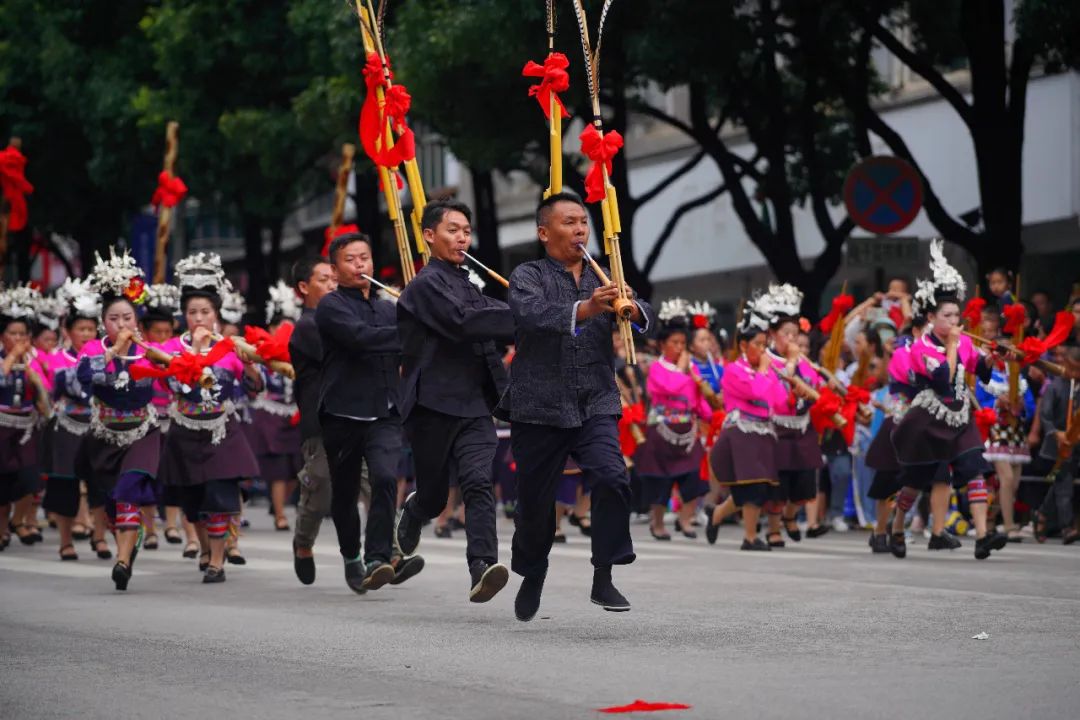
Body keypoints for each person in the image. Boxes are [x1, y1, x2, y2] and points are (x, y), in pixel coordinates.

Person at [503, 192, 654, 621]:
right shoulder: (527, 274)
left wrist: (632, 307)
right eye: (569, 223)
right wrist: (588, 308)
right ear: (544, 232)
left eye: (583, 222)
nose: (580, 230)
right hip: (538, 404)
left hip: (596, 397)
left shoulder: (603, 273)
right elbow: (533, 316)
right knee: (534, 503)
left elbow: (643, 314)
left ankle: (604, 573)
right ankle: (533, 572)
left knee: (612, 476)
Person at [394, 198, 516, 603]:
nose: (462, 237)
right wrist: (524, 313)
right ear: (429, 236)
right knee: (434, 495)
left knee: (480, 481)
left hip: (475, 404)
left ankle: (482, 566)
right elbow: (465, 321)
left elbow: (495, 319)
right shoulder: (424, 286)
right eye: (452, 229)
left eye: (466, 230)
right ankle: (415, 509)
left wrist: (542, 315)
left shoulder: (469, 282)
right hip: (432, 403)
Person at [316, 232, 421, 594]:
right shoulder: (330, 307)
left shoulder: (389, 306)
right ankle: (351, 556)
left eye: (365, 257)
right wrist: (407, 331)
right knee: (344, 494)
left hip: (386, 410)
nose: (360, 265)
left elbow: (410, 352)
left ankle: (378, 558)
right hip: (342, 413)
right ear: (335, 268)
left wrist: (419, 316)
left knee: (386, 479)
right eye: (351, 259)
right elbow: (360, 338)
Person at [892, 240, 1008, 560]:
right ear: (931, 317)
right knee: (916, 480)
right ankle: (898, 525)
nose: (955, 321)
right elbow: (943, 377)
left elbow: (978, 371)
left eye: (957, 315)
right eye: (948, 315)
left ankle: (983, 535)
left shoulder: (962, 341)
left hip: (959, 416)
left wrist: (993, 356)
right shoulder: (921, 348)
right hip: (929, 420)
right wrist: (956, 346)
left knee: (974, 467)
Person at [156, 252, 261, 584]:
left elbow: (254, 387)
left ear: (216, 315)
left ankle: (217, 560)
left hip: (221, 430)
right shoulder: (171, 347)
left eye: (205, 312)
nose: (199, 318)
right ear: (183, 316)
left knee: (219, 495)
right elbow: (171, 382)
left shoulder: (231, 347)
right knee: (193, 500)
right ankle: (203, 547)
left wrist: (252, 363)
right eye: (192, 312)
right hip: (184, 431)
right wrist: (196, 354)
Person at [74, 251, 163, 590]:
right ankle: (127, 545)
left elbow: (178, 371)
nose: (122, 325)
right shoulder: (93, 351)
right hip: (105, 434)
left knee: (129, 489)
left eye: (127, 318)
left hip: (143, 431)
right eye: (114, 319)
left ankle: (122, 561)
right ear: (103, 323)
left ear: (136, 321)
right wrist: (112, 353)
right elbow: (79, 379)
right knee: (113, 501)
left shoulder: (150, 349)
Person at [705, 297, 792, 550]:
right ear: (744, 345)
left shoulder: (765, 370)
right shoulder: (733, 370)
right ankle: (750, 537)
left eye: (765, 345)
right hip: (742, 433)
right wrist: (766, 372)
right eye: (758, 345)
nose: (763, 350)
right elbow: (755, 393)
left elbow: (778, 400)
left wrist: (793, 389)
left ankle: (717, 514)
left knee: (756, 486)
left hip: (764, 432)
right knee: (752, 484)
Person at [33, 279, 102, 560]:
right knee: (65, 486)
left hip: (99, 426)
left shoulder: (105, 355)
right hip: (68, 428)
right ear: (67, 331)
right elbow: (58, 390)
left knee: (100, 485)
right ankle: (65, 541)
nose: (86, 334)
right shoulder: (56, 359)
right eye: (80, 329)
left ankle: (99, 536)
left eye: (90, 329)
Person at [636, 298, 712, 541]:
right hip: (662, 432)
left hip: (688, 430)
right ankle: (657, 523)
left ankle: (686, 520)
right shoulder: (657, 369)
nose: (680, 347)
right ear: (662, 345)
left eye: (682, 343)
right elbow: (669, 389)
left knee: (693, 479)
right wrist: (681, 370)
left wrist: (709, 413)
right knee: (661, 482)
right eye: (674, 342)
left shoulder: (691, 368)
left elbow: (697, 397)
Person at [289, 255, 337, 584]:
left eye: (335, 278)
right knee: (320, 491)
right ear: (304, 287)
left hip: (358, 415)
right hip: (320, 420)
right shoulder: (307, 325)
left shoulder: (344, 316)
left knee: (375, 483)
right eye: (324, 279)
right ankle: (303, 542)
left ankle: (387, 552)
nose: (333, 285)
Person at [251, 280, 303, 532]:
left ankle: (278, 503)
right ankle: (280, 514)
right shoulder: (262, 353)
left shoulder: (302, 351)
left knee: (296, 468)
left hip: (294, 414)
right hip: (271, 415)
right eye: (280, 326)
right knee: (279, 467)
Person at [0, 287, 46, 551]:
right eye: (12, 334)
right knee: (2, 484)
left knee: (30, 479)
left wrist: (34, 372)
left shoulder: (34, 359)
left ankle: (19, 520)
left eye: (22, 334)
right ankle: (3, 529)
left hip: (27, 426)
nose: (18, 339)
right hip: (2, 427)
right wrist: (12, 359)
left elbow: (46, 391)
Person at [1033, 346, 1080, 544]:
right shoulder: (1055, 386)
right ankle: (1067, 527)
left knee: (1061, 484)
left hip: (1075, 445)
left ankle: (1042, 514)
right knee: (1064, 483)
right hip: (1056, 446)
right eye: (1071, 368)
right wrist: (1055, 433)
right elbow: (1046, 415)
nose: (1074, 374)